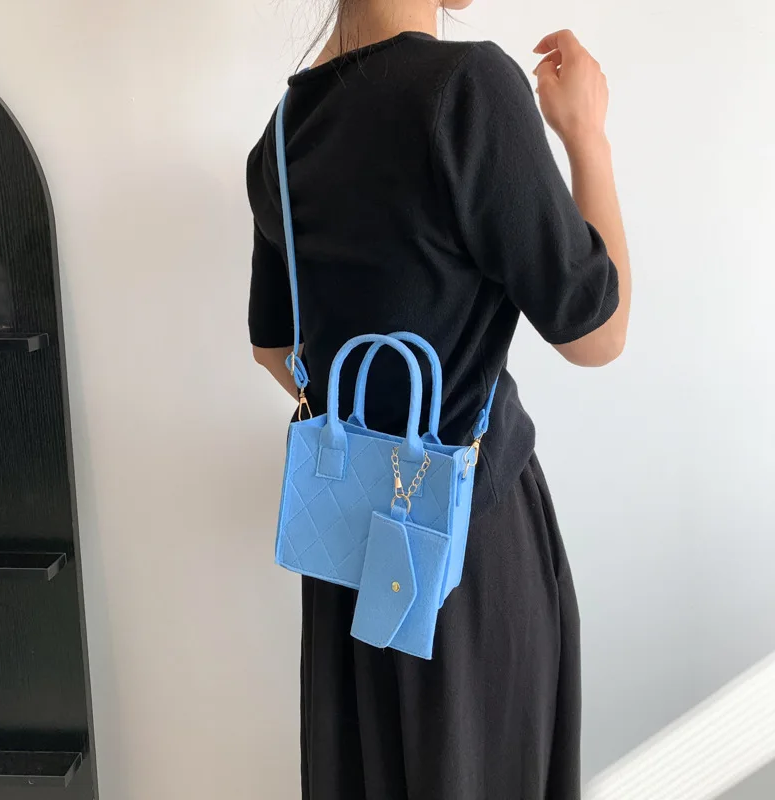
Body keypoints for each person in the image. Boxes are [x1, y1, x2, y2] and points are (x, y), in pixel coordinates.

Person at [247, 0, 631, 797]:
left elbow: (277, 350)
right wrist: (586, 135)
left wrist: (374, 428)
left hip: (346, 552)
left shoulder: (283, 135)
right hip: (464, 548)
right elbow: (596, 333)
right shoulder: (469, 89)